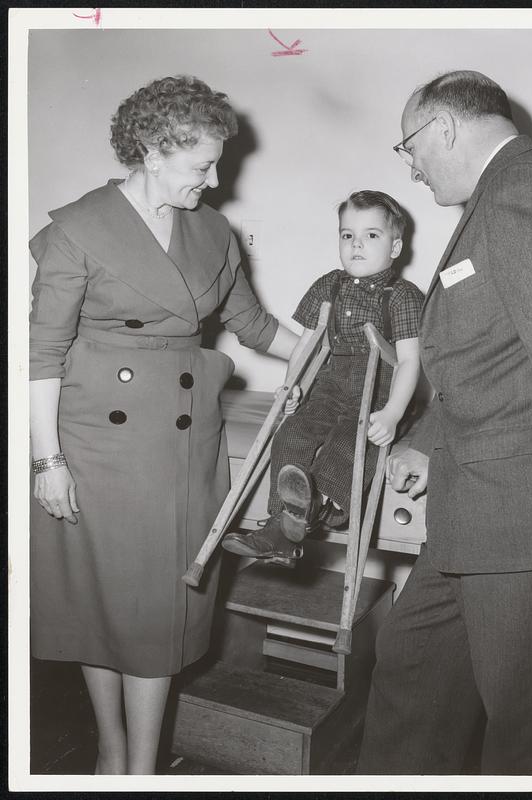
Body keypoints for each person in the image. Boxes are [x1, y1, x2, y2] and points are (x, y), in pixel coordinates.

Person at [356, 71, 532, 775]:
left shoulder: (525, 193)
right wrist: (425, 441)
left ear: (443, 128)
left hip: (527, 513)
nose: (409, 166)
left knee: (528, 726)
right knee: (412, 674)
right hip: (476, 507)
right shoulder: (499, 197)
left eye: (408, 147)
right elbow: (494, 359)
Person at [29, 75, 298, 774]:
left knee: (154, 609)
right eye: (200, 165)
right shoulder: (77, 230)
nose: (211, 182)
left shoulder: (213, 231)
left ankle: (141, 769)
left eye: (215, 165)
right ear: (150, 149)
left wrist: (330, 348)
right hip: (92, 442)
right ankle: (112, 753)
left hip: (180, 445)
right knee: (102, 602)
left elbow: (255, 326)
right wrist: (46, 461)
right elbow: (41, 355)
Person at [222, 191, 424, 564]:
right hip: (329, 384)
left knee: (350, 439)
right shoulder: (328, 285)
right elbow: (306, 344)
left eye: (371, 236)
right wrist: (292, 383)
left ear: (395, 247)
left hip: (378, 390)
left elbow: (410, 362)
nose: (357, 245)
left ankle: (319, 506)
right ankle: (282, 521)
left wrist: (394, 414)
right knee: (293, 431)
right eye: (347, 235)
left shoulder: (403, 297)